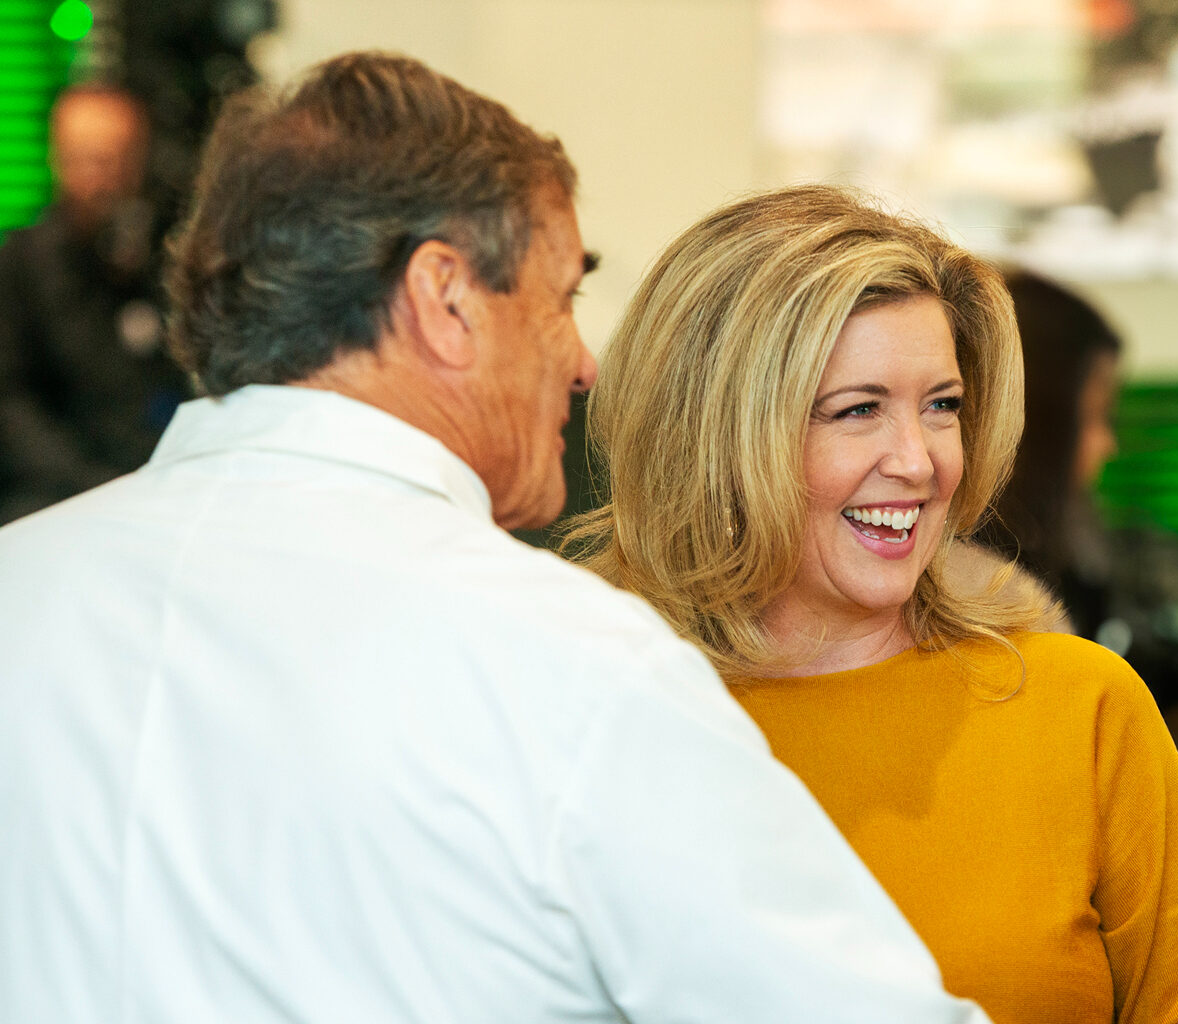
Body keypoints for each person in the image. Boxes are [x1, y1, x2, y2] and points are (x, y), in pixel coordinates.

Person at [0, 53, 991, 1023]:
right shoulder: (571, 667)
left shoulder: (22, 589)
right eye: (560, 297)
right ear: (446, 301)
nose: (584, 361)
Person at [566, 184, 1178, 1024]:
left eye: (942, 408)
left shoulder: (1081, 708)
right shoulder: (603, 716)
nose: (919, 462)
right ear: (721, 435)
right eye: (858, 411)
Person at [0, 83, 187, 523]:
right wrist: (95, 484)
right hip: (54, 500)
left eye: (117, 158)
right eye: (87, 157)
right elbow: (11, 406)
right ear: (57, 157)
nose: (102, 176)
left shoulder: (167, 259)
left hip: (158, 489)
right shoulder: (21, 266)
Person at [969, 269, 1122, 636]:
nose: (1109, 445)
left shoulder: (1066, 551)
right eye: (1096, 415)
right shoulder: (1003, 598)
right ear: (1039, 419)